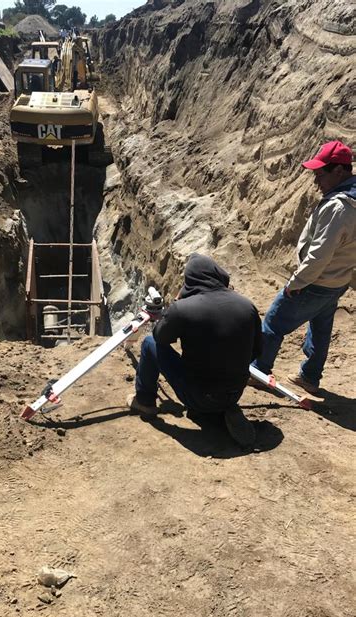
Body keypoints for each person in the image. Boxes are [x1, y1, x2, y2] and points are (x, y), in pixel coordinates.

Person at [250, 140, 355, 394]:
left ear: (339, 171)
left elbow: (319, 255)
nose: (316, 180)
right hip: (337, 280)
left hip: (316, 280)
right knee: (320, 326)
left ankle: (258, 371)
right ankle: (309, 376)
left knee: (274, 322)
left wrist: (295, 283)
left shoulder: (338, 208)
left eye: (320, 174)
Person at [128, 254, 262, 447]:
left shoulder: (183, 309)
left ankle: (145, 401)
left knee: (149, 343)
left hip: (199, 396)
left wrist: (174, 308)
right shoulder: (247, 305)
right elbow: (257, 351)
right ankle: (221, 407)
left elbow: (160, 337)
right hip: (235, 390)